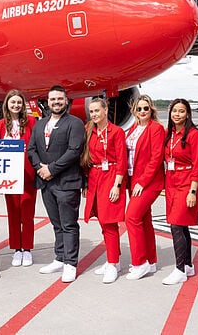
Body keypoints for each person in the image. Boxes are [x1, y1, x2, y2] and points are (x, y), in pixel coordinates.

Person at [28, 85, 85, 283]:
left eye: (60, 99)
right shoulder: (40, 124)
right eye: (53, 99)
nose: (56, 102)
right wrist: (40, 168)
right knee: (56, 224)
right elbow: (31, 150)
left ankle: (70, 263)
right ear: (48, 101)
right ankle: (59, 258)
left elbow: (74, 150)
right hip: (46, 183)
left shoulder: (75, 123)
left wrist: (51, 169)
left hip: (66, 183)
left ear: (66, 101)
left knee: (69, 225)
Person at [82, 98, 128, 284]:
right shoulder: (89, 131)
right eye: (91, 111)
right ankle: (113, 260)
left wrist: (117, 185)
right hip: (95, 177)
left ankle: (112, 262)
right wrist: (86, 183)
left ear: (105, 110)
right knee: (102, 220)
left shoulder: (116, 132)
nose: (94, 115)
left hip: (111, 177)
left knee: (109, 222)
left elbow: (122, 161)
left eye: (97, 111)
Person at [162, 98, 198, 286]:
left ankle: (179, 269)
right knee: (181, 226)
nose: (177, 114)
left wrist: (193, 191)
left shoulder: (193, 135)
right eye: (174, 111)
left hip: (187, 183)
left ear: (187, 114)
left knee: (176, 225)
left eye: (181, 111)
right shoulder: (169, 134)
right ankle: (187, 265)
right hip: (171, 182)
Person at [124, 95, 166, 281]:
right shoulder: (133, 129)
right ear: (134, 111)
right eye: (139, 109)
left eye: (146, 108)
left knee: (131, 217)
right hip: (133, 180)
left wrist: (142, 181)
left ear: (151, 110)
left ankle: (139, 263)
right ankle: (151, 260)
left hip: (148, 182)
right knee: (144, 220)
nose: (142, 112)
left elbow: (156, 158)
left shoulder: (156, 129)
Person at [0, 89, 38, 267]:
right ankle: (16, 249)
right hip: (8, 177)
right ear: (7, 104)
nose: (16, 105)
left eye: (19, 102)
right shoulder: (0, 125)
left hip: (27, 175)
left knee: (27, 213)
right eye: (12, 102)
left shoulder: (32, 122)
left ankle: (27, 248)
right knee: (13, 213)